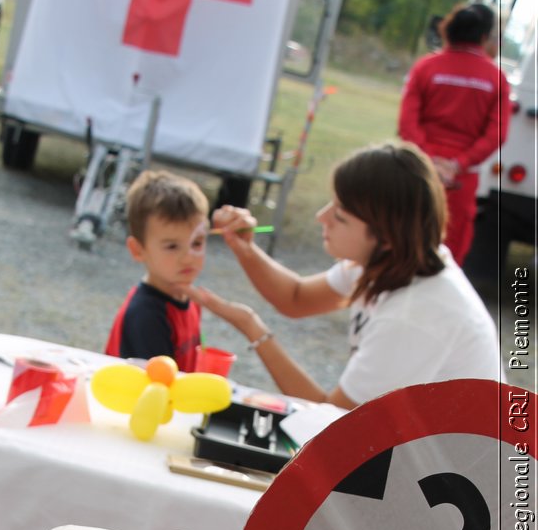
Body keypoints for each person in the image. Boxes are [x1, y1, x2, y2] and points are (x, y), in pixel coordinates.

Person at [188, 142, 502, 410]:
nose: (321, 217)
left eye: (339, 215)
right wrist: (245, 248)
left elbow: (334, 422)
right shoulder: (395, 260)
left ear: (387, 236)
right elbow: (295, 298)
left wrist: (251, 327)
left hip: (467, 475)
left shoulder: (414, 313)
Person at [397, 2, 510, 266]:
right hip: (460, 179)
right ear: (484, 37)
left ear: (447, 30)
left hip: (417, 171)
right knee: (448, 252)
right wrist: (457, 164)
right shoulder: (496, 78)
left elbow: (407, 122)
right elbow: (497, 134)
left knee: (401, 238)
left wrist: (429, 160)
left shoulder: (426, 67)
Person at [105, 170, 209, 371]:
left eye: (197, 243)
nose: (188, 257)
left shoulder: (191, 298)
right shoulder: (146, 315)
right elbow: (159, 388)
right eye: (172, 246)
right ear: (138, 250)